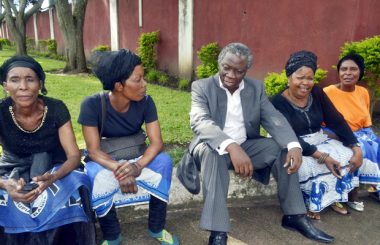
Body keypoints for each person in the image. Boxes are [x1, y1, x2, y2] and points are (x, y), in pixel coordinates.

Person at [186, 43, 334, 244]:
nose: (231, 74)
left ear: (246, 70)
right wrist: (230, 145)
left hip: (246, 145)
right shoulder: (202, 86)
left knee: (282, 150)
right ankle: (218, 231)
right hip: (212, 145)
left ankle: (294, 216)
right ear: (219, 63)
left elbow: (274, 118)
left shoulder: (255, 88)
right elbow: (200, 121)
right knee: (213, 154)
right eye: (226, 67)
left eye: (238, 71)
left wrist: (293, 146)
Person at [78, 49, 179, 245]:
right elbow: (93, 151)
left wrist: (137, 167)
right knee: (93, 173)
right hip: (106, 161)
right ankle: (112, 235)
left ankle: (156, 228)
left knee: (164, 162)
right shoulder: (91, 105)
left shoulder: (146, 102)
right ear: (118, 85)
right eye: (138, 79)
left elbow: (157, 143)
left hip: (137, 158)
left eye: (144, 78)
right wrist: (120, 170)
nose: (144, 84)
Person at [271, 51, 378, 222]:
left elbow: (336, 120)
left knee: (348, 154)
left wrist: (355, 146)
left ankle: (334, 197)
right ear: (289, 77)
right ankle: (311, 202)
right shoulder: (276, 102)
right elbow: (287, 136)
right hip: (295, 146)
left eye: (310, 78)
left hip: (319, 138)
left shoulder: (318, 93)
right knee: (306, 165)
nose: (306, 83)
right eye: (300, 77)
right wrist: (322, 156)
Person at [0, 56, 95, 244]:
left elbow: (74, 156)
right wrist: (5, 184)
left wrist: (53, 177)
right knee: (6, 199)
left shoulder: (56, 108)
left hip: (55, 166)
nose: (23, 86)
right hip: (13, 168)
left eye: (30, 79)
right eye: (14, 80)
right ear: (5, 85)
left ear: (40, 83)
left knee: (75, 185)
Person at [323, 53, 380, 207]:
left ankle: (374, 188)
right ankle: (351, 194)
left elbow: (367, 122)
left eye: (353, 69)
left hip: (361, 132)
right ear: (339, 72)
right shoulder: (328, 93)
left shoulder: (363, 92)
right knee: (361, 149)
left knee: (375, 145)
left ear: (360, 72)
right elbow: (322, 126)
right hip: (337, 135)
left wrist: (372, 138)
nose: (348, 73)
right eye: (344, 69)